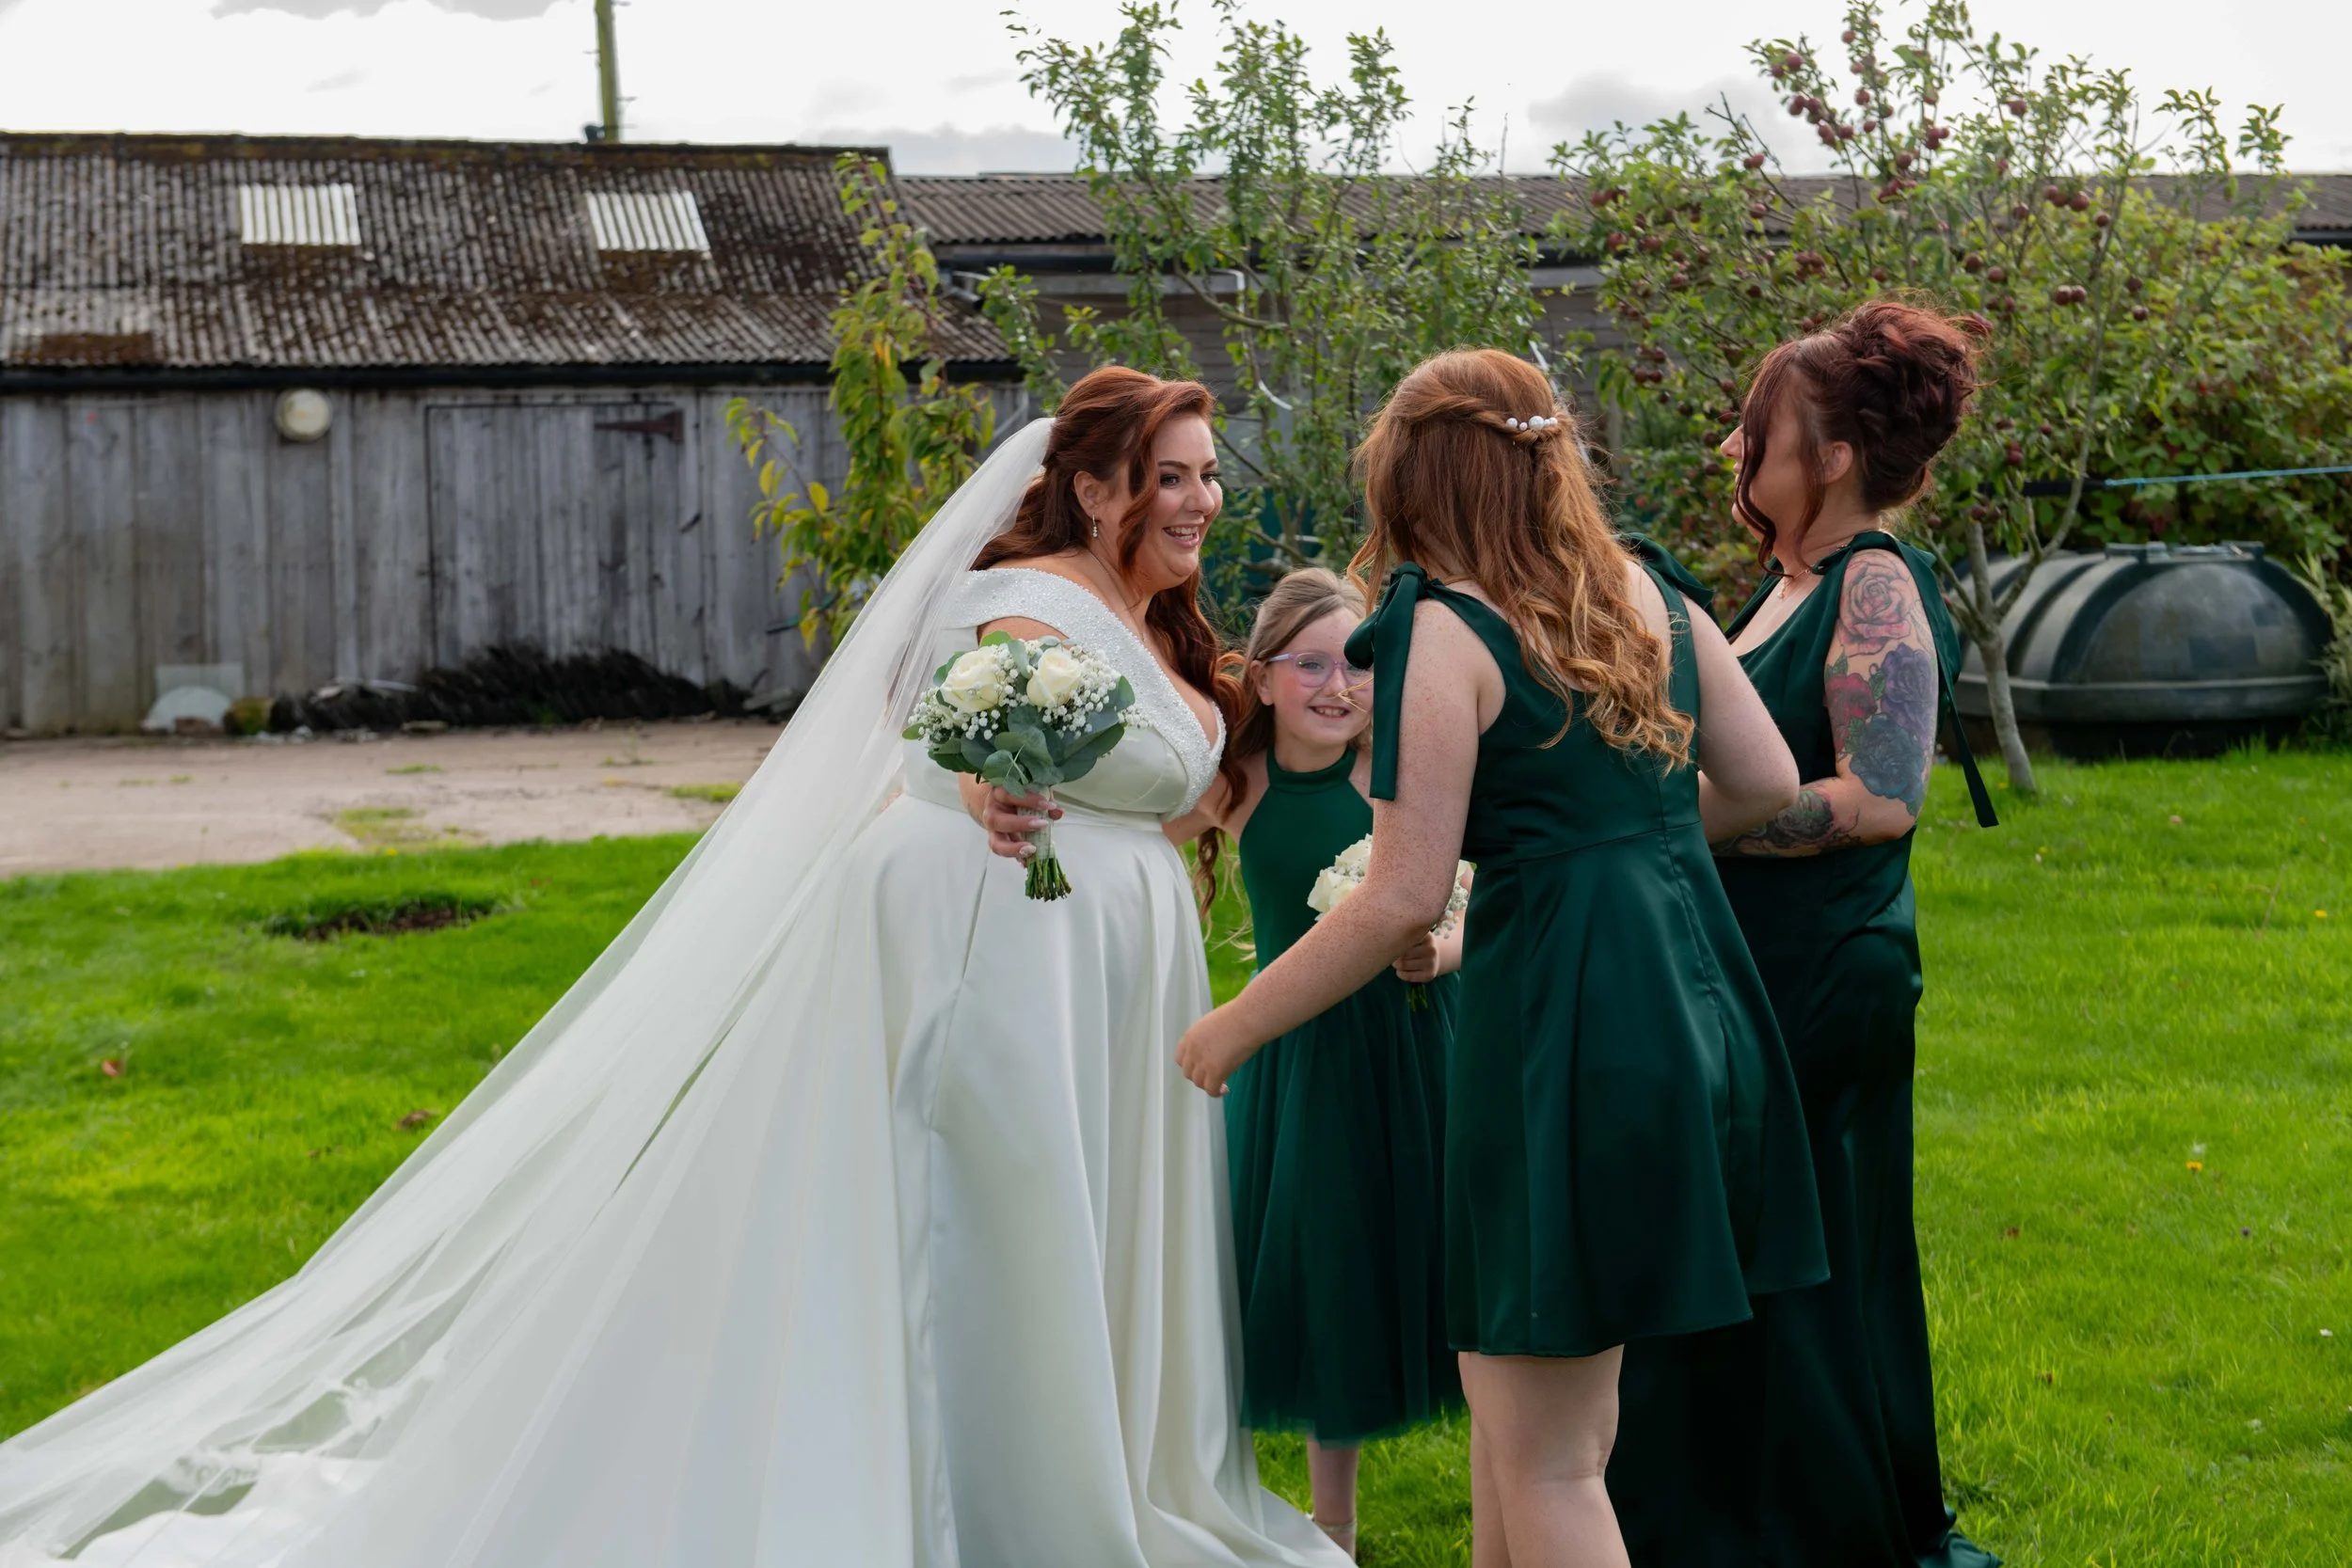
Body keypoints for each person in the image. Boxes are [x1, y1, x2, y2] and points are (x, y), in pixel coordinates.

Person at [0, 367, 1345, 1568]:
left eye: (1207, 473)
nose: (1202, 499)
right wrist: (990, 771)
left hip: (1100, 961)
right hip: (1006, 948)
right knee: (1000, 1216)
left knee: (1079, 1211)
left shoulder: (1150, 617)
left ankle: (1093, 1473)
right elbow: (982, 723)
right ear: (1094, 487)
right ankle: (997, 1503)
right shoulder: (1025, 602)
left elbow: (1180, 785)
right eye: (1172, 475)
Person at [1177, 348, 1828, 1568]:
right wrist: (1624, 846)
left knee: (1550, 1458)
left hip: (1556, 1035)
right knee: (1518, 1412)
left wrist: (1233, 1025)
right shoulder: (1648, 593)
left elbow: (1399, 896)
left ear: (1415, 483)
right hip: (1694, 1001)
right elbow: (1764, 781)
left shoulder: (1446, 631)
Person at [1608, 302, 2002, 1568]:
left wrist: (1676, 827)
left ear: (1829, 457)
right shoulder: (1784, 586)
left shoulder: (1873, 581)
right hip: (1756, 960)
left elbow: (1881, 794)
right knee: (1748, 1243)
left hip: (1823, 970)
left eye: (1757, 429)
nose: (1731, 446)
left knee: (1801, 1251)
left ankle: (1801, 1531)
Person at [1203, 568, 1466, 1560]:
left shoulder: (1397, 774)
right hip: (1302, 1065)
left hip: (1418, 1045)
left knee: (1446, 1248)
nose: (1338, 686)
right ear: (1262, 678)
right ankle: (1334, 1524)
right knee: (1328, 1266)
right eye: (1309, 665)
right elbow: (1129, 839)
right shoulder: (1237, 784)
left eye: (1358, 664)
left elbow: (1483, 884)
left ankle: (1520, 1472)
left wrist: (1443, 949)